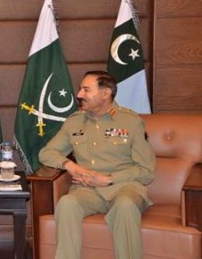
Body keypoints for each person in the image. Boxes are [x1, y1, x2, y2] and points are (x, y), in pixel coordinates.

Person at [38, 70, 155, 259]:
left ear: (105, 93)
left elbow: (147, 171)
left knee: (125, 205)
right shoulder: (74, 122)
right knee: (67, 203)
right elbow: (46, 153)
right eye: (80, 89)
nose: (79, 95)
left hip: (124, 188)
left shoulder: (131, 122)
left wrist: (108, 179)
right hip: (87, 190)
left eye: (86, 90)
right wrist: (72, 166)